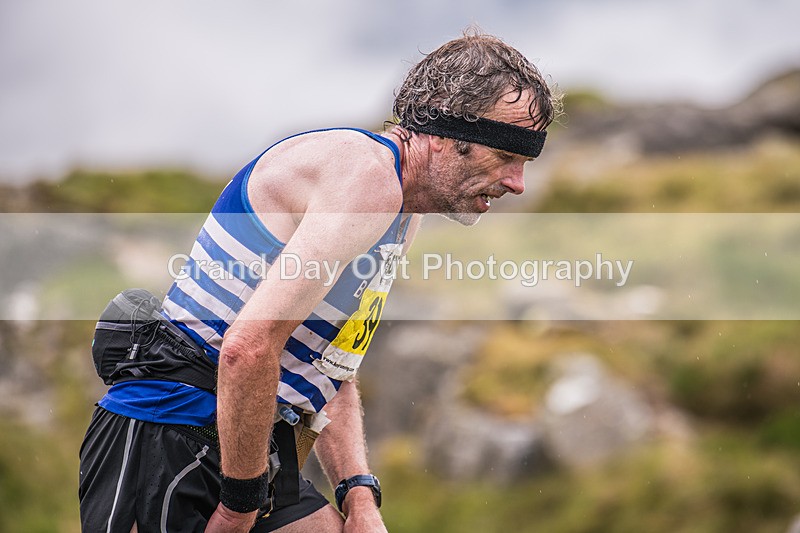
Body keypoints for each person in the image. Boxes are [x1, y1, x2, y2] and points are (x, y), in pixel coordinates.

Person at [79, 30, 560, 532]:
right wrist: (240, 507)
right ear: (443, 130)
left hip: (246, 443)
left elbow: (330, 367)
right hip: (169, 428)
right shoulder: (367, 178)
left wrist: (360, 497)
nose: (518, 183)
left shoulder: (402, 212)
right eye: (506, 156)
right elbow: (247, 347)